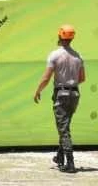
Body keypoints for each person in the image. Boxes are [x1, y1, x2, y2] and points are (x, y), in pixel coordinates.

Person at [34, 24, 85, 173]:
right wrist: (71, 82)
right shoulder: (78, 56)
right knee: (65, 126)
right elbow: (82, 78)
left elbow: (46, 78)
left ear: (59, 37)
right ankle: (59, 156)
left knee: (63, 130)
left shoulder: (55, 55)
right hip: (75, 94)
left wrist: (37, 91)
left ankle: (70, 163)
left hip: (61, 94)